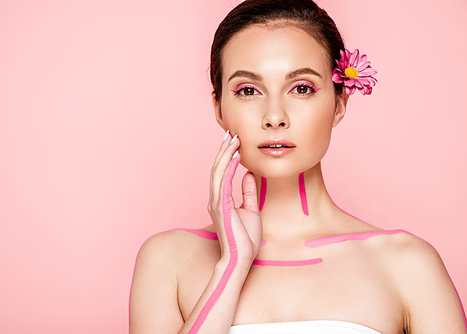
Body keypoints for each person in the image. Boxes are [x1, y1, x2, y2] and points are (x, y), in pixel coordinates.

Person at [129, 0, 466, 333]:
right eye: (248, 90)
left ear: (339, 103)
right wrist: (231, 266)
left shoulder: (409, 265)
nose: (275, 117)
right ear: (218, 107)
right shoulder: (166, 261)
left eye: (301, 88)